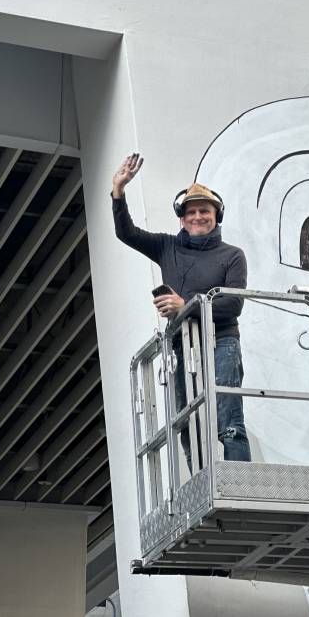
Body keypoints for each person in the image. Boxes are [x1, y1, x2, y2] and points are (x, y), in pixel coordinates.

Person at [111, 152, 251, 467]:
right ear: (182, 218)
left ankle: (239, 483)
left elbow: (234, 304)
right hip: (180, 345)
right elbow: (126, 233)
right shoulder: (167, 246)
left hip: (222, 340)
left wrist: (184, 305)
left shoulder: (232, 255)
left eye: (204, 211)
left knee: (228, 419)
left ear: (216, 216)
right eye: (191, 212)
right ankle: (202, 480)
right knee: (186, 421)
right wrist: (118, 191)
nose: (197, 216)